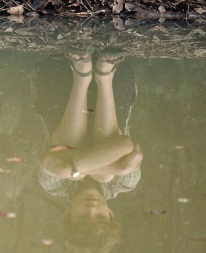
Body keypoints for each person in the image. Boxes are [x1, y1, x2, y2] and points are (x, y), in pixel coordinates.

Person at [36, 51, 141, 253]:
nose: (92, 208)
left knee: (103, 171)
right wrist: (72, 169)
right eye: (100, 216)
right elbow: (125, 144)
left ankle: (82, 74)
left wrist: (116, 167)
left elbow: (48, 159)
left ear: (68, 215)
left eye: (84, 216)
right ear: (111, 214)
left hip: (59, 81)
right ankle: (104, 74)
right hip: (117, 84)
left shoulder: (52, 186)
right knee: (104, 175)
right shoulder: (126, 183)